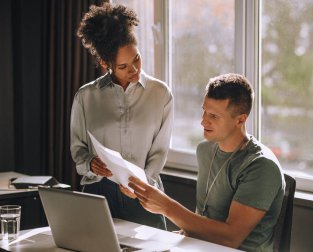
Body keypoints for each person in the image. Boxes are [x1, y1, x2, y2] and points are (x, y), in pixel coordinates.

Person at [122, 73, 285, 251]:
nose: (203, 121)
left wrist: (167, 207)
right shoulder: (205, 150)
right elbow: (204, 219)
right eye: (204, 111)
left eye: (214, 116)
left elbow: (230, 239)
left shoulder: (261, 166)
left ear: (240, 119)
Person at [70, 3, 173, 229]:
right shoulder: (86, 97)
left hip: (145, 194)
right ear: (106, 64)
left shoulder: (160, 94)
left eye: (136, 59)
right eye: (124, 66)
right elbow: (78, 149)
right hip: (99, 193)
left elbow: (159, 151)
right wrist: (90, 163)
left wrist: (142, 184)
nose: (134, 70)